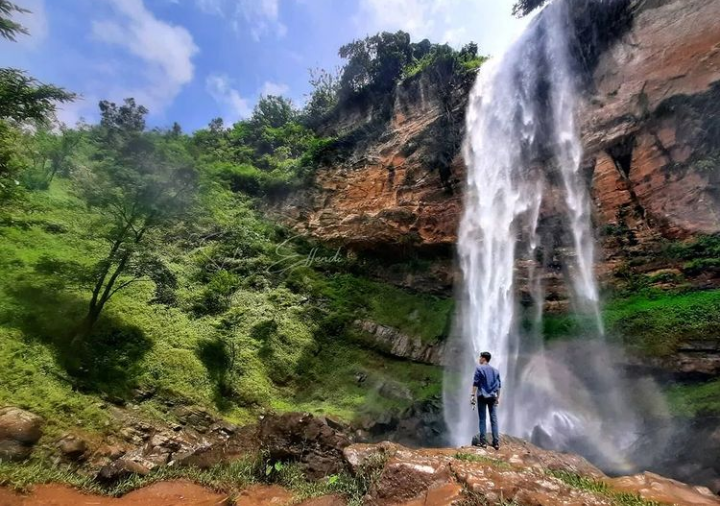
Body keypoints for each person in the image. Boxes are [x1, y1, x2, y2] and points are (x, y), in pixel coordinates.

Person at [470, 351, 501, 450]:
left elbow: (476, 383)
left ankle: (483, 442)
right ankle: (496, 442)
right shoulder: (495, 371)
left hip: (482, 396)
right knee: (494, 420)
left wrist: (472, 395)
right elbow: (499, 386)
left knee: (482, 419)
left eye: (480, 357)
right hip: (492, 397)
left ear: (484, 358)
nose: (479, 359)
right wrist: (497, 398)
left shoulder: (479, 368)